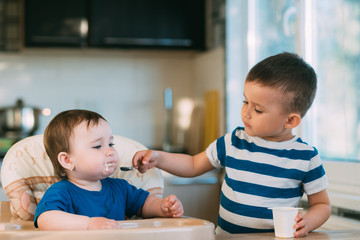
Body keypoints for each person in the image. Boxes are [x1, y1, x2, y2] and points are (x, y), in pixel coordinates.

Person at [132, 52, 331, 237]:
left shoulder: (306, 157)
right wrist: (160, 158)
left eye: (258, 110)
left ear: (290, 121)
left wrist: (308, 222)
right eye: (245, 102)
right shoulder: (234, 142)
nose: (246, 112)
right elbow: (193, 165)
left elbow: (322, 204)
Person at [35, 109, 183, 230]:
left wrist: (162, 207)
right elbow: (46, 219)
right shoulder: (61, 192)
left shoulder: (120, 188)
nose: (110, 151)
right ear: (67, 160)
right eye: (98, 146)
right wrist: (89, 224)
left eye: (111, 144)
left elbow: (145, 204)